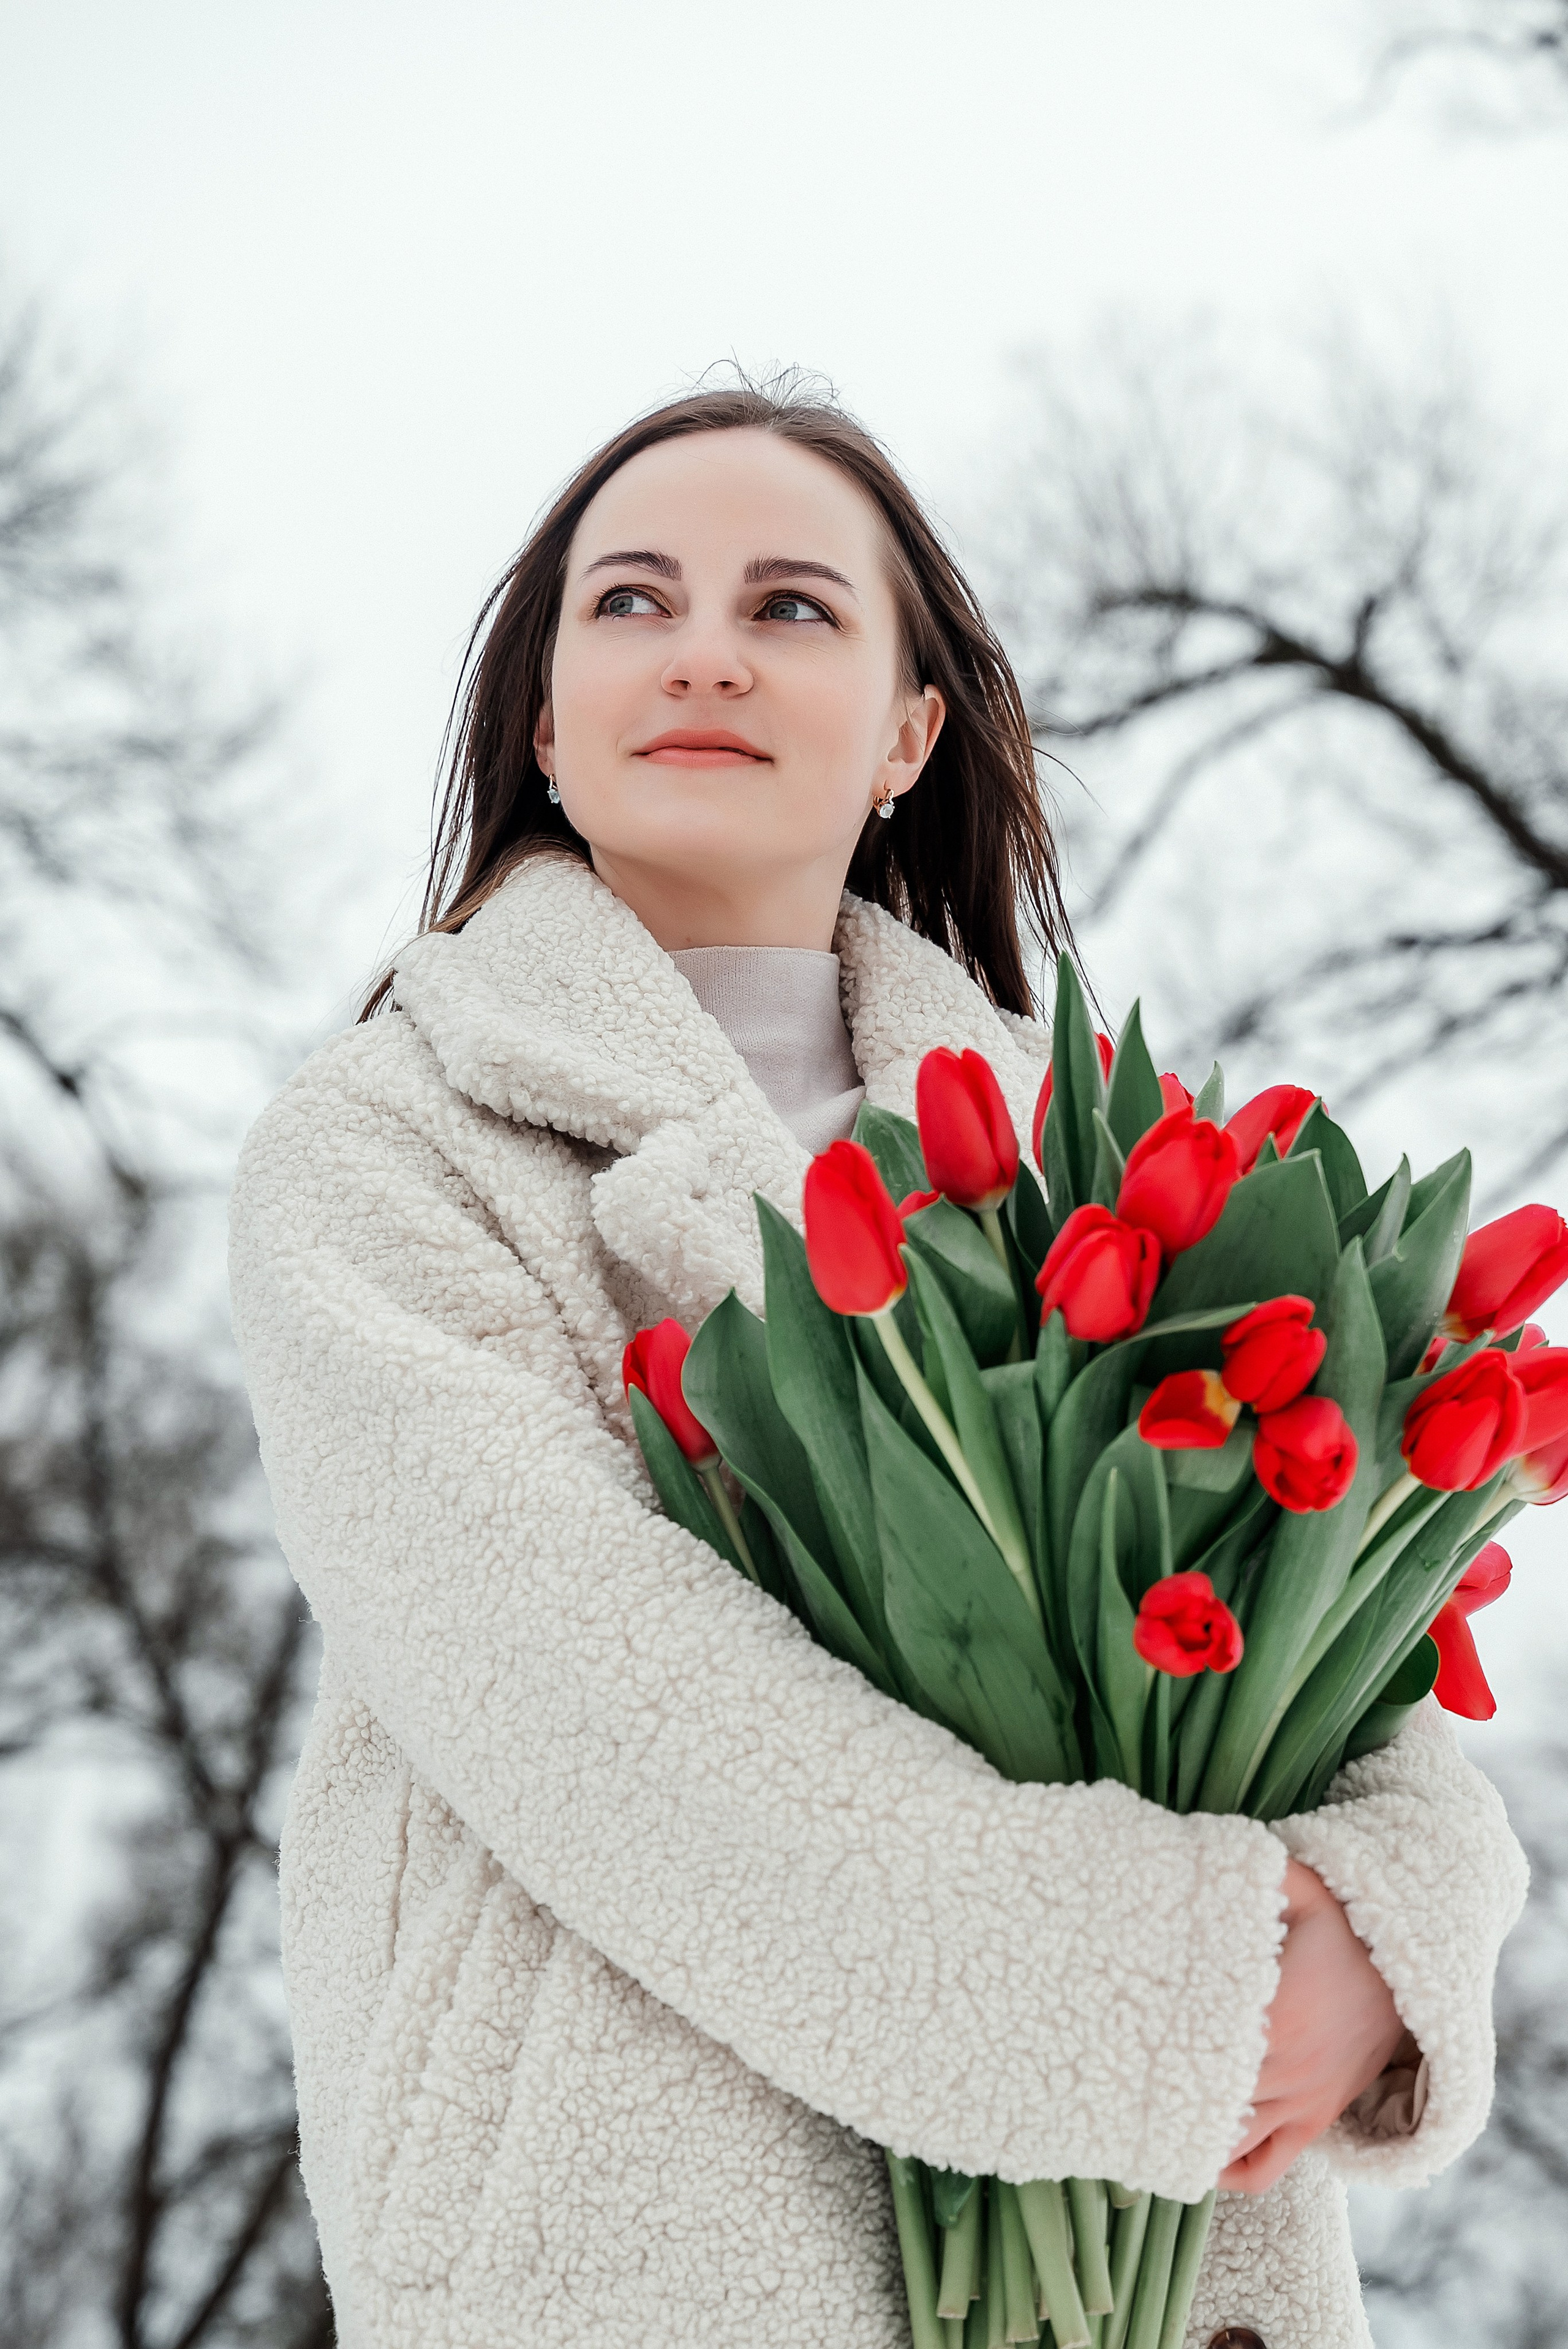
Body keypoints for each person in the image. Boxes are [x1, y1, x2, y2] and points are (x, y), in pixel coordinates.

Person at [229, 382, 1526, 2349]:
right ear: (549, 729)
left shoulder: (1110, 1159)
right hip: (645, 2263)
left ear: (913, 732)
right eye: (635, 603)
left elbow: (1352, 1661)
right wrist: (1192, 2002)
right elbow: (601, 1713)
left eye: (796, 608)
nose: (709, 652)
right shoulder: (387, 1145)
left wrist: (1399, 1939)